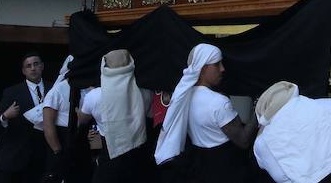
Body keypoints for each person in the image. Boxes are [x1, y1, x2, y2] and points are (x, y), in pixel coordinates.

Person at [155, 44, 257, 181]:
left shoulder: (184, 97)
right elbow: (243, 141)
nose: (222, 69)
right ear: (203, 68)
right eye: (217, 64)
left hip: (200, 167)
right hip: (226, 169)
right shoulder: (218, 102)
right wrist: (259, 110)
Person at [78, 50, 151, 183]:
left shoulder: (94, 96)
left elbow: (82, 120)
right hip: (138, 159)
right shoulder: (144, 92)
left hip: (110, 159)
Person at [0, 52, 51, 183]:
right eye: (28, 66)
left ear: (42, 66)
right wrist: (5, 116)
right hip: (17, 157)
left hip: (44, 156)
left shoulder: (54, 89)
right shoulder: (11, 92)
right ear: (23, 71)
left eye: (36, 64)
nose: (32, 68)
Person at [41, 56, 75, 182]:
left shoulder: (86, 88)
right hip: (60, 141)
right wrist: (57, 151)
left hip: (76, 141)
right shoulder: (57, 90)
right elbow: (48, 125)